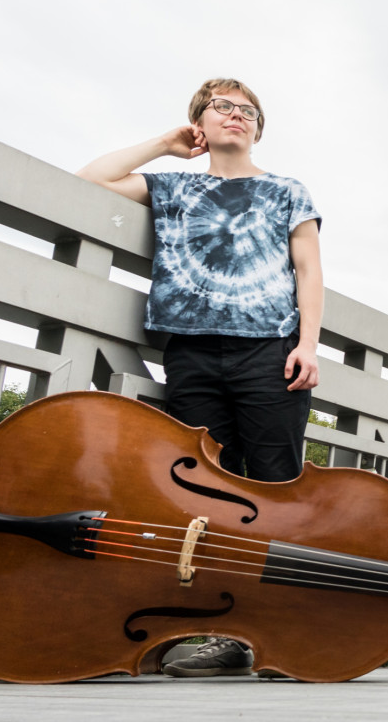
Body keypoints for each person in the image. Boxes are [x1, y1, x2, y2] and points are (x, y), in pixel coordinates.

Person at [76, 78, 323, 679]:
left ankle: (281, 628)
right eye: (222, 108)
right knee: (202, 492)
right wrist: (163, 144)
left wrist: (308, 345)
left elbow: (310, 271)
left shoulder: (286, 190)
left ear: (258, 128)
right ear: (200, 123)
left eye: (247, 111)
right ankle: (218, 629)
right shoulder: (174, 184)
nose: (235, 116)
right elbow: (87, 182)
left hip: (271, 352)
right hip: (189, 353)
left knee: (274, 487)